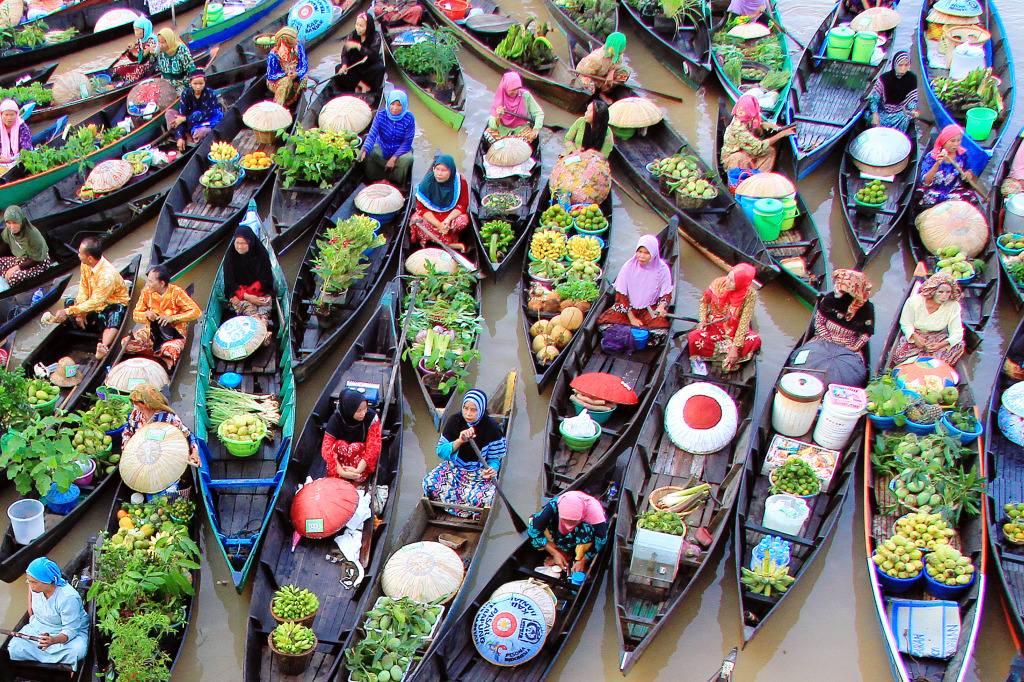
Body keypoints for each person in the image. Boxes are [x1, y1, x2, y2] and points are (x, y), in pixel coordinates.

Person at [423, 389, 507, 518]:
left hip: (477, 474)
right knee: (429, 482)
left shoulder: (492, 428)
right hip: (454, 470)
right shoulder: (454, 421)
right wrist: (459, 441)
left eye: (473, 409)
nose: (468, 413)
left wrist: (491, 469)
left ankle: (463, 509)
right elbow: (441, 452)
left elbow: (494, 459)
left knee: (489, 498)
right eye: (465, 408)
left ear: (481, 409)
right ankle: (468, 511)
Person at [49, 238, 129, 360]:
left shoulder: (107, 276)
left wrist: (69, 312)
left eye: (80, 252)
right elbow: (83, 287)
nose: (78, 254)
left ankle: (103, 346)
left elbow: (96, 302)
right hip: (94, 302)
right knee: (70, 302)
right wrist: (80, 311)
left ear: (90, 258)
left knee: (115, 317)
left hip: (112, 303)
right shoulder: (85, 264)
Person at [7, 558, 88, 669]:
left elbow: (71, 630)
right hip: (38, 627)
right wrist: (29, 603)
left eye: (34, 582)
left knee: (77, 651)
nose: (30, 585)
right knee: (14, 648)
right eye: (28, 581)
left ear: (47, 581)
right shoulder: (35, 587)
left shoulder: (68, 598)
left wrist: (53, 640)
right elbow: (30, 586)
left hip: (63, 633)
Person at [121, 265, 201, 371]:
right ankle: (159, 354)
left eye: (151, 281)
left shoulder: (177, 293)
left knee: (172, 349)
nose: (148, 284)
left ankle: (159, 353)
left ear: (162, 283)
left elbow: (197, 312)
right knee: (126, 343)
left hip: (174, 332)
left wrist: (173, 318)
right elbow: (136, 315)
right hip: (152, 330)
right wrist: (147, 314)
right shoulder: (146, 293)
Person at [597, 234, 673, 343]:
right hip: (628, 307)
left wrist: (661, 307)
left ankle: (631, 337)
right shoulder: (629, 266)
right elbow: (621, 296)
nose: (641, 256)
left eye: (646, 253)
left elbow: (666, 293)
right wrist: (632, 318)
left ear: (654, 253)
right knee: (603, 324)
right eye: (639, 251)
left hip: (650, 308)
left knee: (661, 331)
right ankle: (631, 336)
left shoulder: (663, 269)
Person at [687, 263, 761, 372]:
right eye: (728, 278)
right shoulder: (717, 283)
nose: (728, 282)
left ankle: (725, 357)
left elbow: (744, 322)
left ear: (741, 283)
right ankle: (725, 359)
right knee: (694, 337)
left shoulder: (750, 295)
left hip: (735, 328)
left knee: (755, 340)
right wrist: (703, 320)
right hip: (713, 324)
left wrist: (735, 347)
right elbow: (704, 302)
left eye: (732, 281)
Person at [889, 273, 965, 367]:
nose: (944, 296)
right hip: (917, 335)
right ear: (933, 291)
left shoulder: (953, 305)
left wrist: (941, 345)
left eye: (948, 292)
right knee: (899, 356)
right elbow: (906, 323)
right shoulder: (914, 301)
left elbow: (957, 332)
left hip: (937, 338)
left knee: (959, 345)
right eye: (941, 292)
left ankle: (928, 363)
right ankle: (924, 362)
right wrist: (915, 337)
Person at [527, 491, 608, 575]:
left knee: (588, 532)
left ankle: (578, 558)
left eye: (572, 522)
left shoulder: (596, 515)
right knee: (533, 523)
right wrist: (554, 553)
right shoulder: (556, 504)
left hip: (580, 533)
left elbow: (601, 541)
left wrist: (583, 560)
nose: (568, 525)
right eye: (566, 521)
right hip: (558, 531)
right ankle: (561, 551)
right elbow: (533, 529)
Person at [122, 383, 201, 467]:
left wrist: (194, 452)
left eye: (137, 402)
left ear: (148, 404)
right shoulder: (136, 414)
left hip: (165, 459)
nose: (135, 405)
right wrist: (126, 442)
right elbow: (128, 430)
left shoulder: (169, 419)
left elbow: (188, 435)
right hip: (142, 456)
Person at [550, 100, 613, 205]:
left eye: (589, 112)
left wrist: (594, 153)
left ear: (597, 116)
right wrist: (574, 149)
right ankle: (563, 196)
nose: (585, 113)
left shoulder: (607, 132)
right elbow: (568, 139)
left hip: (594, 162)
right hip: (575, 156)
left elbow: (605, 155)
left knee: (592, 182)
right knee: (563, 176)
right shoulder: (580, 122)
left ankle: (583, 201)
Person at [720, 94, 795, 172]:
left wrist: (764, 125)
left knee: (770, 151)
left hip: (746, 150)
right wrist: (781, 134)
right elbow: (759, 147)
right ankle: (747, 179)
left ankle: (760, 176)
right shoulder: (738, 128)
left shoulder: (747, 119)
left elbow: (757, 128)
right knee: (742, 157)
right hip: (733, 157)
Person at [321, 388, 381, 484]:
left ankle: (356, 478)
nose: (363, 413)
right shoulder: (336, 419)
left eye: (365, 408)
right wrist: (341, 472)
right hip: (341, 457)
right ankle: (342, 475)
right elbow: (326, 448)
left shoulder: (371, 418)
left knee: (355, 447)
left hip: (360, 457)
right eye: (359, 411)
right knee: (338, 444)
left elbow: (373, 447)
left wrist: (358, 470)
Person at [410, 154, 469, 250]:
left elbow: (462, 205)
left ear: (451, 171)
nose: (439, 174)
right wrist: (438, 224)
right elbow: (422, 209)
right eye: (437, 169)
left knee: (462, 220)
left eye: (444, 170)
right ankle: (446, 244)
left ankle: (435, 242)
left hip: (450, 213)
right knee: (415, 219)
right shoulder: (427, 183)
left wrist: (447, 220)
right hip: (432, 214)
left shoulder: (460, 182)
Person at [357, 90, 416, 185]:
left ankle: (397, 182)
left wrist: (393, 159)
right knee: (369, 153)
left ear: (404, 105)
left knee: (408, 159)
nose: (395, 108)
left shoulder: (409, 118)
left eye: (399, 105)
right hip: (382, 146)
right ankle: (373, 179)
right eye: (392, 104)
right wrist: (364, 150)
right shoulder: (380, 115)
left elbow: (407, 142)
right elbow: (372, 135)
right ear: (388, 103)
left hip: (400, 150)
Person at [223, 226, 274, 327]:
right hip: (239, 293)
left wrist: (254, 293)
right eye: (237, 242)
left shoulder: (262, 254)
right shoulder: (231, 256)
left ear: (250, 243)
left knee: (263, 311)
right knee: (251, 314)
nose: (240, 247)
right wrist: (247, 296)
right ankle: (260, 331)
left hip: (259, 291)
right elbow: (230, 284)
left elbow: (266, 280)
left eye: (243, 243)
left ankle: (263, 328)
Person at [813, 269, 874, 352]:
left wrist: (855, 348)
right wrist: (830, 342)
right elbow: (819, 323)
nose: (835, 289)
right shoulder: (829, 299)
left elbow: (866, 333)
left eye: (840, 288)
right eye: (836, 285)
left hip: (849, 346)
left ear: (852, 292)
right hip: (824, 339)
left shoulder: (866, 308)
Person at [920, 124, 979, 207]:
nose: (956, 144)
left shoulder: (962, 155)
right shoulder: (932, 156)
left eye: (958, 140)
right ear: (944, 141)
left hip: (954, 190)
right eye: (953, 141)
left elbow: (968, 169)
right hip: (934, 192)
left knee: (973, 197)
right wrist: (937, 164)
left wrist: (968, 174)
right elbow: (926, 181)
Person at [170, 69, 223, 152]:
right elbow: (181, 115)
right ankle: (184, 136)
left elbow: (206, 115)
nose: (198, 86)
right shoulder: (186, 93)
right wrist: (180, 137)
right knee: (169, 114)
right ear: (190, 82)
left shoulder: (210, 93)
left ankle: (191, 138)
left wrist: (184, 119)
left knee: (202, 133)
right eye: (195, 83)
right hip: (189, 121)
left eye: (201, 83)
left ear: (205, 82)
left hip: (204, 121)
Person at [485, 72, 544, 144]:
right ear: (506, 87)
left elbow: (539, 113)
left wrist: (536, 129)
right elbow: (493, 126)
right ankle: (508, 142)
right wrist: (498, 117)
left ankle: (508, 143)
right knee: (488, 133)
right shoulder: (499, 99)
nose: (516, 92)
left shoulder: (525, 95)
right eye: (512, 89)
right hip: (503, 130)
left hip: (521, 130)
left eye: (518, 88)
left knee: (530, 136)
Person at [0, 205, 51, 286]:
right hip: (21, 259)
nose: (12, 226)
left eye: (15, 222)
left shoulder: (33, 234)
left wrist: (16, 268)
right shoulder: (9, 231)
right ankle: (5, 278)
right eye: (8, 223)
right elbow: (5, 245)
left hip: (38, 262)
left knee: (14, 277)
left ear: (21, 221)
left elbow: (37, 259)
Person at [867, 51, 919, 132]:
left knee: (906, 118)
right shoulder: (884, 79)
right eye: (900, 65)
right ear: (895, 64)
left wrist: (913, 110)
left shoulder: (912, 78)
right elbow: (874, 100)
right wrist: (875, 114)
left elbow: (912, 99)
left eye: (906, 65)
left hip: (899, 112)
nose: (903, 68)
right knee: (875, 123)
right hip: (883, 111)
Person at [335, 12, 385, 93]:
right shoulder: (352, 35)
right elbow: (344, 54)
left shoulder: (375, 36)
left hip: (368, 67)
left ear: (368, 27)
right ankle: (361, 85)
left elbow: (373, 56)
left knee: (380, 68)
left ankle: (362, 87)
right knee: (338, 68)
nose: (358, 28)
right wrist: (344, 65)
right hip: (355, 68)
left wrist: (359, 46)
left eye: (361, 26)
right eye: (357, 24)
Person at [575, 32, 631, 99]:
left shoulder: (617, 54)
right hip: (588, 74)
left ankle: (605, 89)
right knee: (590, 85)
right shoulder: (597, 59)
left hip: (604, 74)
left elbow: (617, 64)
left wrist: (611, 73)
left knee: (625, 72)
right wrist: (602, 80)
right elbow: (586, 73)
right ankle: (598, 94)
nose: (625, 48)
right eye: (624, 46)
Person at [266, 26, 308, 107]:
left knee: (304, 77)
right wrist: (285, 74)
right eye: (295, 38)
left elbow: (304, 66)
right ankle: (279, 106)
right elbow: (270, 75)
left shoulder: (299, 48)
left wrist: (297, 73)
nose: (298, 40)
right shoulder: (273, 55)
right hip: (277, 82)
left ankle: (294, 99)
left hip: (294, 76)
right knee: (286, 81)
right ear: (288, 41)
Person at [112, 16, 158, 83]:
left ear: (144, 30)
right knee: (119, 70)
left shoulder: (152, 40)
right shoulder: (140, 40)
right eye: (134, 30)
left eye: (137, 30)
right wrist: (128, 52)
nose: (135, 33)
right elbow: (134, 59)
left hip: (149, 67)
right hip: (140, 65)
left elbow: (142, 58)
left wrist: (134, 51)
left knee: (131, 78)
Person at [0, 98, 32, 168]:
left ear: (16, 115)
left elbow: (26, 150)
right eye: (6, 115)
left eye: (12, 115)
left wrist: (10, 159)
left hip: (18, 160)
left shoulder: (22, 127)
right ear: (1, 115)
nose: (9, 118)